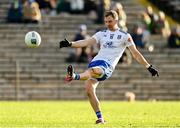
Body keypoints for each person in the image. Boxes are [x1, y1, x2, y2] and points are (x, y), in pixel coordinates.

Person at [59, 10, 159, 124]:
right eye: (106, 21)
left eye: (110, 21)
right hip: (96, 61)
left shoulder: (125, 36)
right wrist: (71, 44)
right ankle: (100, 118)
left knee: (92, 71)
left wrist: (148, 66)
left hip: (107, 65)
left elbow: (135, 53)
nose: (107, 24)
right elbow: (87, 42)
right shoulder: (101, 34)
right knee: (88, 88)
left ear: (116, 20)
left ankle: (74, 76)